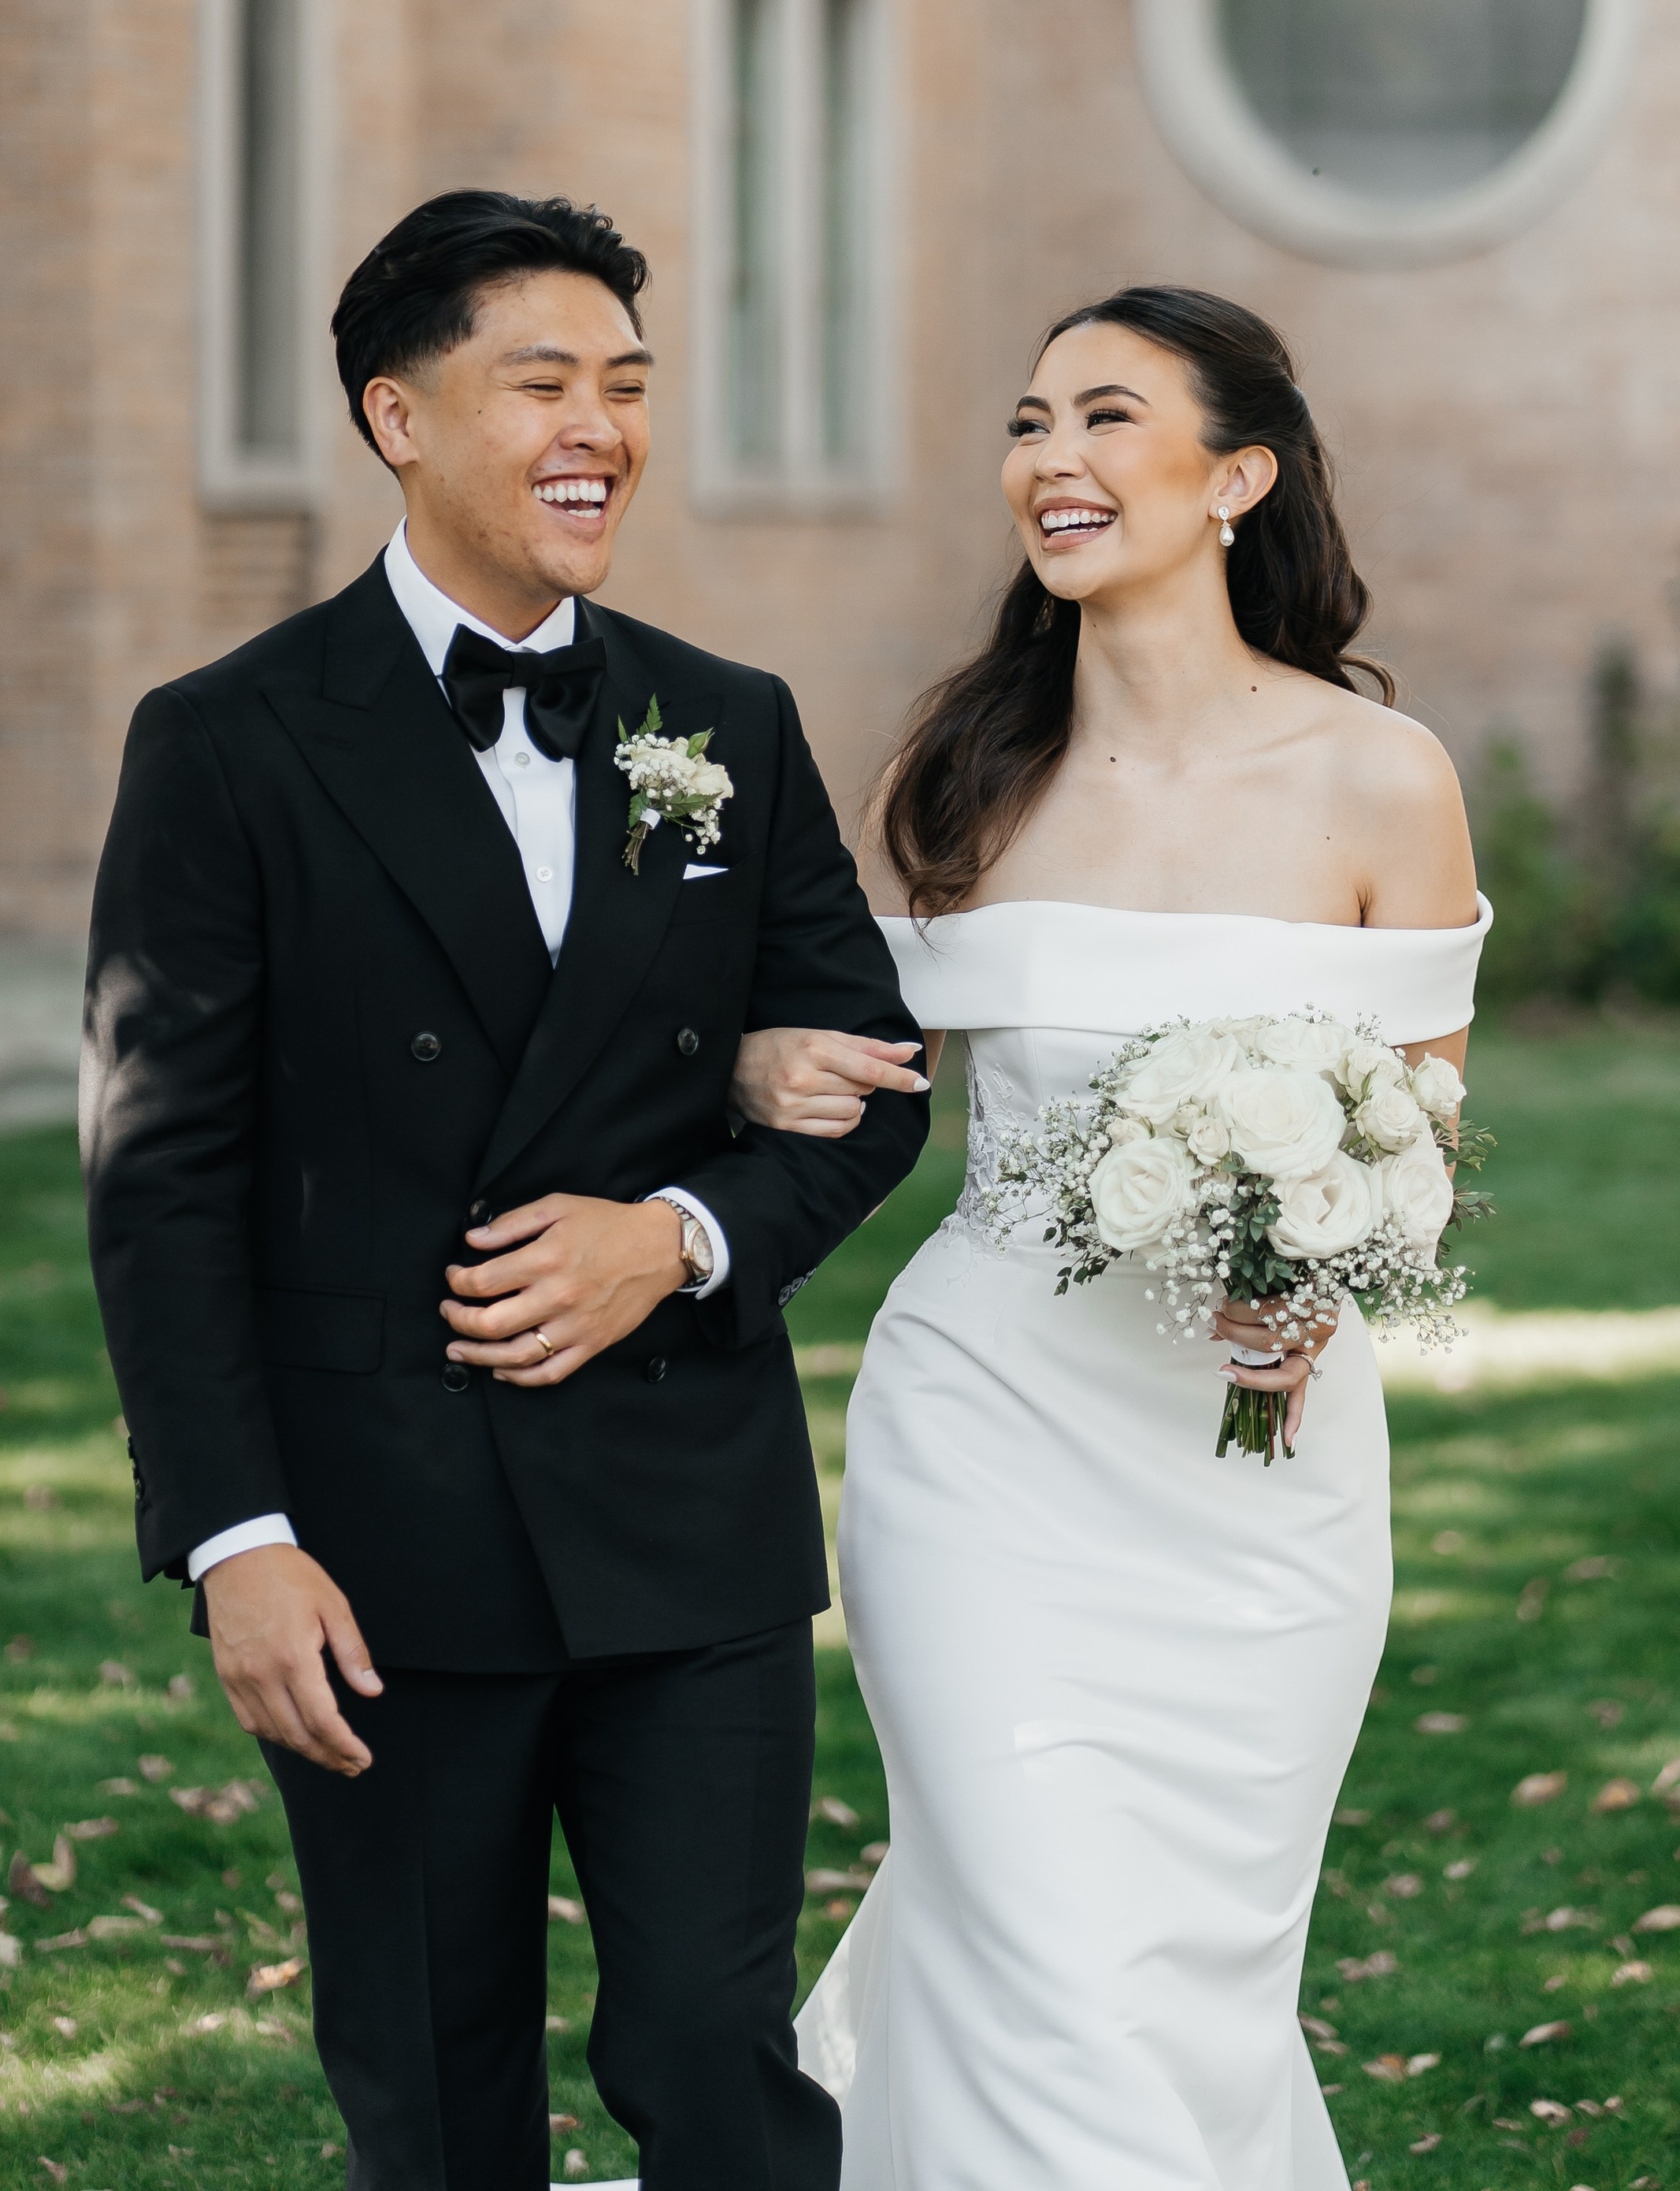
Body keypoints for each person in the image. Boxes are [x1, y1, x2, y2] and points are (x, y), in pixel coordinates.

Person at [83, 191, 931, 2191]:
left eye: (627, 388)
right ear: (396, 414)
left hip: (686, 1522)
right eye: (540, 381)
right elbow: (163, 1179)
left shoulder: (719, 720)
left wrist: (682, 1234)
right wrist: (234, 1540)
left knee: (720, 2058)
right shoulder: (225, 744)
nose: (600, 429)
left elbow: (867, 1087)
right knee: (436, 2085)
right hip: (380, 1544)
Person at [729, 285, 1488, 2190]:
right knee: (1035, 1923)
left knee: (1176, 1974)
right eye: (1026, 421)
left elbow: (1418, 1127)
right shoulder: (975, 776)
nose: (1048, 461)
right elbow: (860, 1052)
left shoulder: (1375, 779)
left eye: (1104, 419)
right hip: (984, 1439)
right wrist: (756, 1063)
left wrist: (1316, 1283)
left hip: (1259, 1486)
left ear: (1237, 474)